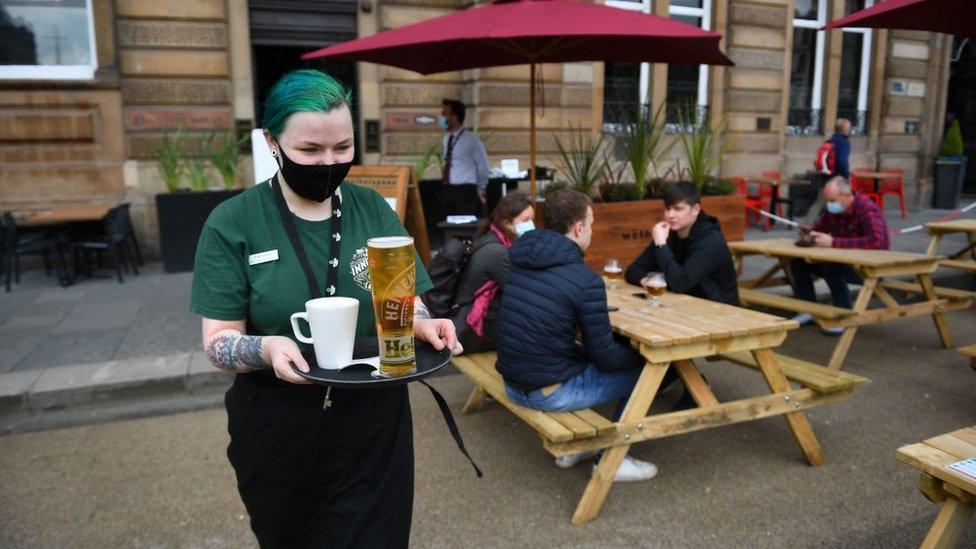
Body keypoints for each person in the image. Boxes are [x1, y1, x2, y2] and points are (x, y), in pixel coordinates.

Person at [190, 69, 461, 548]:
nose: (329, 162)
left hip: (374, 423)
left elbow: (405, 302)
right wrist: (270, 347)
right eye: (310, 151)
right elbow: (217, 343)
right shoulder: (233, 222)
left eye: (342, 148)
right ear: (272, 142)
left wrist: (424, 324)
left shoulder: (373, 209)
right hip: (278, 428)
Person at [495, 189, 658, 482]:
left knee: (586, 360)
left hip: (513, 383)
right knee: (648, 372)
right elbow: (606, 358)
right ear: (579, 227)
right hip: (547, 393)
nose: (592, 231)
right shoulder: (585, 281)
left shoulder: (520, 258)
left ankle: (577, 446)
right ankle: (611, 459)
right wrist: (640, 355)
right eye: (591, 224)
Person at [790, 176, 890, 335]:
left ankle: (843, 315)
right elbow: (820, 228)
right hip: (843, 261)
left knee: (832, 266)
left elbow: (877, 242)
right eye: (827, 200)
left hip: (869, 268)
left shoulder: (867, 209)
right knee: (798, 262)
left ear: (847, 195)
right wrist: (810, 233)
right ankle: (807, 309)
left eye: (832, 200)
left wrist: (833, 242)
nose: (830, 204)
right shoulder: (833, 209)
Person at [624, 182, 740, 306]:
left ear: (695, 209)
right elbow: (633, 270)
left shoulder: (711, 241)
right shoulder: (669, 234)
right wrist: (647, 281)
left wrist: (661, 245)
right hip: (684, 307)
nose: (670, 215)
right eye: (668, 208)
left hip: (721, 312)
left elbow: (680, 283)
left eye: (678, 209)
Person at [452, 192, 535, 353]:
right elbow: (523, 291)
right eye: (526, 220)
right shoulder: (498, 252)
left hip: (466, 322)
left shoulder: (490, 238)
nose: (531, 225)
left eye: (532, 219)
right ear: (507, 223)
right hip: (472, 331)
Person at [440, 98, 490, 218]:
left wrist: (480, 188)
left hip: (466, 191)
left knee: (465, 227)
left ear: (455, 117)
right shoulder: (447, 139)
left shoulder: (472, 140)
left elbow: (483, 166)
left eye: (444, 114)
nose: (442, 118)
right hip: (448, 189)